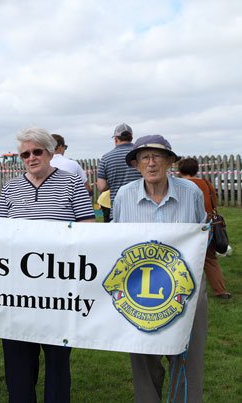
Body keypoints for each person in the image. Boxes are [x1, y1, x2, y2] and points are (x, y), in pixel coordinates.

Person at [0, 128, 95, 403]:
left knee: (57, 362)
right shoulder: (10, 188)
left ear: (50, 152)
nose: (30, 157)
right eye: (24, 154)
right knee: (18, 365)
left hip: (58, 291)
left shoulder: (71, 183)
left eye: (36, 151)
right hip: (16, 291)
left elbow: (88, 228)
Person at [113, 135, 207, 403]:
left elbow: (201, 238)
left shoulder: (191, 193)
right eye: (144, 157)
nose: (151, 163)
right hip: (138, 292)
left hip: (186, 288)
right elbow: (115, 242)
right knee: (142, 356)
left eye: (157, 157)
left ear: (169, 162)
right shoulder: (124, 195)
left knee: (188, 356)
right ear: (136, 164)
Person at [178, 157, 231, 299]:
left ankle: (184, 289)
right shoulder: (206, 183)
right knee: (210, 259)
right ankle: (221, 291)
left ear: (180, 170)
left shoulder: (180, 186)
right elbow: (214, 203)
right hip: (208, 225)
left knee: (182, 259)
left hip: (187, 227)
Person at [96, 123, 142, 221]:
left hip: (118, 209)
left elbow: (101, 187)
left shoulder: (106, 158)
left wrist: (113, 182)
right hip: (142, 208)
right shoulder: (140, 155)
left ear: (116, 139)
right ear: (131, 137)